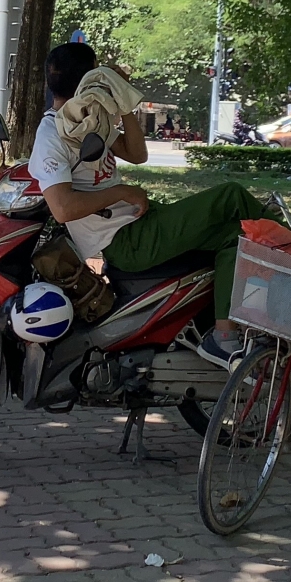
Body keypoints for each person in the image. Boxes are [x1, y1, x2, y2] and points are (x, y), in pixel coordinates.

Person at [27, 42, 268, 365]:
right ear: (90, 78)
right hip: (124, 240)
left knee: (233, 236)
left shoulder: (87, 118)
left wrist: (122, 101)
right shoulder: (52, 135)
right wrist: (122, 192)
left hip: (140, 222)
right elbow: (63, 208)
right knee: (230, 196)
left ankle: (223, 336)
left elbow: (137, 154)